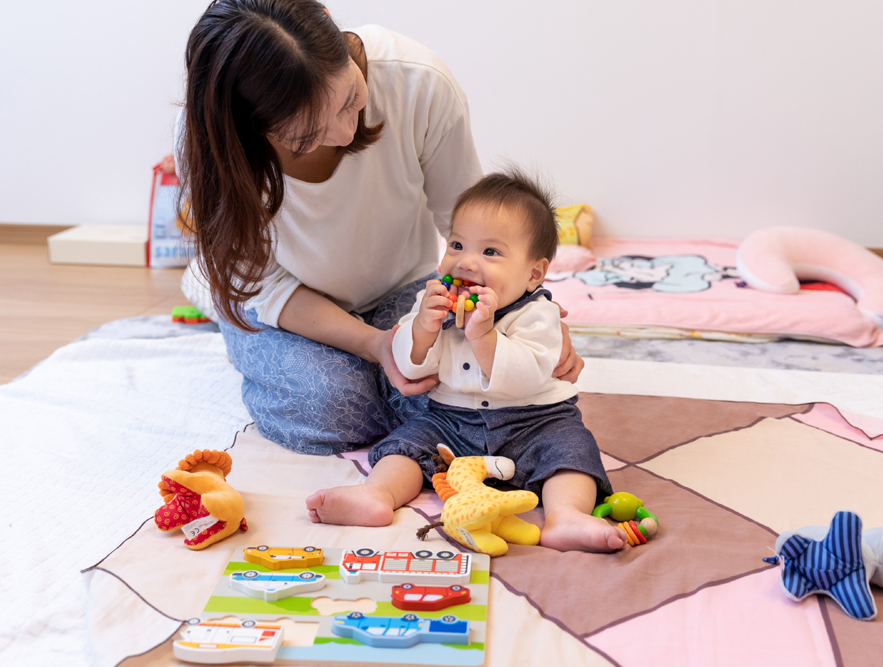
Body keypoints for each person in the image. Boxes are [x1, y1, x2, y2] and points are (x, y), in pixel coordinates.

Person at [175, 1, 584, 466]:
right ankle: (211, 293)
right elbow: (263, 285)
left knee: (448, 396)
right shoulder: (211, 144)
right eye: (304, 136)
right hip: (280, 298)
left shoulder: (419, 82)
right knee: (334, 410)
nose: (345, 131)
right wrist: (374, 345)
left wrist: (529, 315)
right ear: (249, 128)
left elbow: (470, 226)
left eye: (350, 98)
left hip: (396, 285)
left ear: (329, 24)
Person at [306, 170, 626, 553]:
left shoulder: (539, 315)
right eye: (457, 244)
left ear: (533, 273)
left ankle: (566, 516)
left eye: (490, 252)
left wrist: (484, 337)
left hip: (535, 421)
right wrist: (423, 329)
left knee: (572, 451)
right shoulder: (436, 304)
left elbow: (524, 377)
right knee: (405, 445)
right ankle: (375, 495)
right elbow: (409, 370)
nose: (467, 262)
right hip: (451, 420)